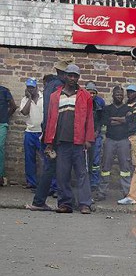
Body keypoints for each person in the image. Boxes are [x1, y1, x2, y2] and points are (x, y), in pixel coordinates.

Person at [42, 64, 94, 214]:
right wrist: (49, 143)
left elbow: (89, 119)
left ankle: (84, 204)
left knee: (82, 174)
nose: (72, 78)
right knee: (62, 174)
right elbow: (51, 120)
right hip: (61, 142)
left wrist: (88, 139)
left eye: (75, 76)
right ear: (65, 76)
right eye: (70, 75)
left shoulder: (85, 96)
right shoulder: (55, 96)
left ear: (78, 78)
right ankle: (65, 204)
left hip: (79, 142)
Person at [28, 60, 70, 211]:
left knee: (50, 166)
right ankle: (40, 202)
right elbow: (54, 112)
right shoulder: (58, 87)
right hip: (54, 133)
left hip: (47, 131)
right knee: (53, 167)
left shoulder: (49, 86)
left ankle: (39, 201)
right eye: (68, 74)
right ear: (63, 74)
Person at [97, 86, 132, 200]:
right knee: (105, 167)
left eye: (121, 95)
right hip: (110, 140)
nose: (119, 96)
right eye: (117, 94)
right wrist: (122, 119)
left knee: (125, 168)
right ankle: (102, 192)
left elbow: (130, 122)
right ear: (113, 95)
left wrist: (116, 120)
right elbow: (106, 122)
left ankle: (127, 192)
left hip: (124, 141)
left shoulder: (127, 108)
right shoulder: (107, 109)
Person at [19, 78, 44, 189]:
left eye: (32, 87)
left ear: (36, 87)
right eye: (28, 87)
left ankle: (44, 183)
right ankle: (31, 182)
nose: (30, 89)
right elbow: (24, 112)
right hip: (30, 132)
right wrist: (29, 98)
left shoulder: (43, 98)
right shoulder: (25, 99)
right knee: (30, 158)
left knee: (44, 158)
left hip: (41, 132)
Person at [86, 81, 105, 192]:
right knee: (84, 160)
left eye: (93, 93)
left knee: (95, 161)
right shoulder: (82, 101)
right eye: (89, 92)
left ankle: (94, 183)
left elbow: (102, 119)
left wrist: (97, 131)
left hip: (96, 135)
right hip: (84, 136)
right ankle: (85, 182)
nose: (91, 95)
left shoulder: (100, 102)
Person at [0, 82, 17, 187]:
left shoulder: (4, 91)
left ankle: (0, 175)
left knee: (0, 147)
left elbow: (13, 106)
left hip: (1, 124)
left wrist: (6, 116)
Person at [125, 84, 136, 167]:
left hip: (135, 135)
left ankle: (135, 179)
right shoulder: (124, 106)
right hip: (125, 136)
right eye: (128, 92)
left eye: (132, 92)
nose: (129, 94)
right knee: (125, 159)